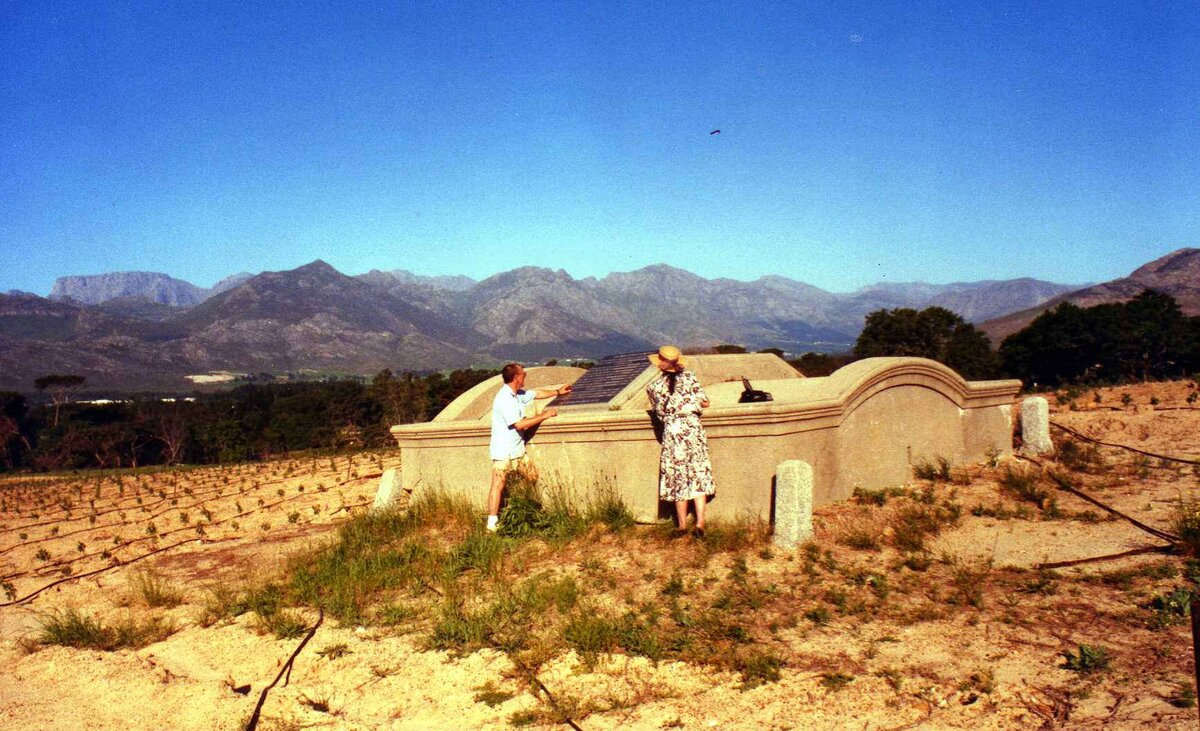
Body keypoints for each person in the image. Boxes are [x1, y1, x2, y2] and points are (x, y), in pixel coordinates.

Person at [487, 363, 572, 532]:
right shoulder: (504, 398)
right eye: (523, 374)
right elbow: (520, 425)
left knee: (532, 477)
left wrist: (557, 392)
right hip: (504, 451)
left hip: (518, 450)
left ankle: (529, 510)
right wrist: (544, 416)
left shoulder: (517, 394)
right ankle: (491, 523)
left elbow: (536, 394)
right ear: (517, 378)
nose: (525, 375)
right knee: (498, 484)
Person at [646, 345, 715, 538]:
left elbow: (659, 413)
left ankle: (682, 525)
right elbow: (705, 402)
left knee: (677, 477)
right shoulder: (690, 378)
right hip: (693, 429)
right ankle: (700, 523)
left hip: (673, 432)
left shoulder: (653, 388)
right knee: (697, 473)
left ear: (659, 364)